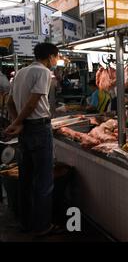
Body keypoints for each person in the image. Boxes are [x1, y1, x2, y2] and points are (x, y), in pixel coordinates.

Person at [5, 42, 61, 236]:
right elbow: (32, 103)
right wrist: (19, 121)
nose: (56, 61)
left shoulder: (20, 72)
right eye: (57, 57)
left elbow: (10, 101)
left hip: (26, 132)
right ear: (50, 56)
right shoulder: (44, 72)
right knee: (44, 180)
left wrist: (16, 122)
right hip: (38, 129)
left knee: (26, 178)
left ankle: (26, 223)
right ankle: (42, 226)